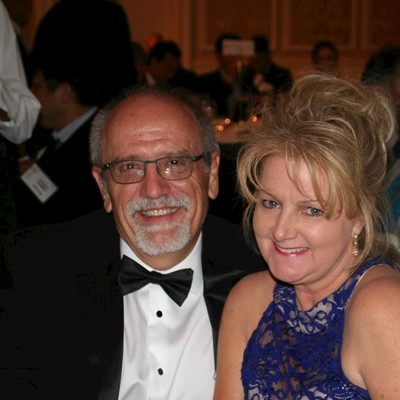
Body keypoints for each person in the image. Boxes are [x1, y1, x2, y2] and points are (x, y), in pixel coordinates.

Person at [0, 86, 266, 399]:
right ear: (103, 187)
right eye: (129, 167)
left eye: (174, 162)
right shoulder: (33, 271)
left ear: (212, 173)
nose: (153, 189)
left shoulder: (266, 269)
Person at [213, 74, 400, 399]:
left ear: (359, 217)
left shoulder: (384, 308)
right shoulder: (248, 300)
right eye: (270, 203)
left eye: (312, 210)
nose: (280, 230)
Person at [197, 33, 242, 117]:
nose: (233, 56)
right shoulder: (205, 82)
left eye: (237, 51)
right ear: (218, 55)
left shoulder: (250, 80)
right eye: (229, 51)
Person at [243, 34, 293, 105]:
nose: (254, 64)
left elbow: (285, 97)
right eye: (252, 60)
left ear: (267, 56)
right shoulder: (246, 73)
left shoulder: (282, 74)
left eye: (258, 60)